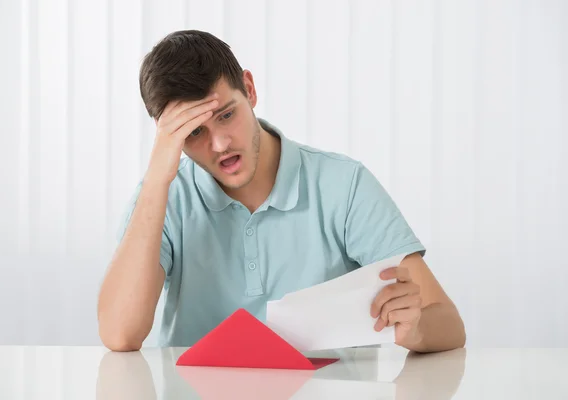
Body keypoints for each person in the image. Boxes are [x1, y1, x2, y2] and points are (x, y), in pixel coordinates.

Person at [97, 30, 466, 353]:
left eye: (226, 114)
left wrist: (413, 328)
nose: (221, 143)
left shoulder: (342, 184)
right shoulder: (163, 196)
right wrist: (158, 180)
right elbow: (119, 334)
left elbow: (449, 323)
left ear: (250, 89)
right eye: (194, 132)